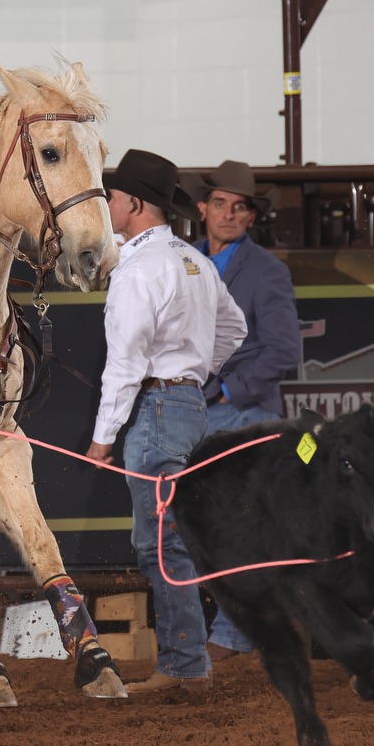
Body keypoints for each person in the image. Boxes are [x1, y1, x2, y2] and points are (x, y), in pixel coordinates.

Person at [83, 150, 246, 696]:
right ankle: (188, 658)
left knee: (161, 544)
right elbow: (235, 329)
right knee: (180, 537)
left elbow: (126, 362)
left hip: (156, 414)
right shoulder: (192, 260)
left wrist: (103, 438)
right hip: (190, 409)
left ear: (133, 204)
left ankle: (183, 665)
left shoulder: (138, 269)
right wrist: (192, 374)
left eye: (112, 198)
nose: (107, 206)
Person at [180, 160, 302, 662]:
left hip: (242, 414)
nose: (229, 214)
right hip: (195, 411)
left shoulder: (268, 272)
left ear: (251, 218)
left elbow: (283, 350)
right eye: (221, 204)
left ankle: (232, 638)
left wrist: (229, 391)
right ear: (204, 209)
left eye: (240, 207)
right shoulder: (183, 260)